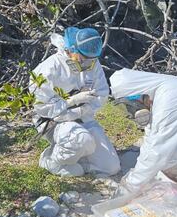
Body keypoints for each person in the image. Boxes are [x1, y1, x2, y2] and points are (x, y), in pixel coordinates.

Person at [29, 27, 121, 177]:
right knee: (81, 139)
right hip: (53, 123)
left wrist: (83, 110)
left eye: (92, 61)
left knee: (110, 167)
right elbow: (44, 110)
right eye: (83, 59)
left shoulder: (92, 62)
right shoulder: (49, 69)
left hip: (84, 118)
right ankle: (51, 160)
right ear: (71, 49)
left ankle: (79, 158)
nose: (87, 65)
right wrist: (71, 102)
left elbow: (102, 93)